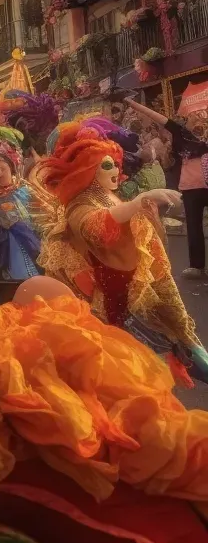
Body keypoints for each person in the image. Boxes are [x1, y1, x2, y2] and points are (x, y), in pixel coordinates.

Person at [32, 120, 204, 381]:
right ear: (88, 170)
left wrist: (141, 208)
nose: (116, 169)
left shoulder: (107, 194)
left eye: (115, 162)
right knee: (134, 375)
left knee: (181, 339)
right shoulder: (79, 205)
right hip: (111, 307)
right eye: (107, 164)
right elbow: (95, 226)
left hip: (139, 290)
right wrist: (136, 204)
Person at [123, 95, 208, 278]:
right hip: (190, 188)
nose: (199, 117)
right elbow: (156, 116)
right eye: (194, 114)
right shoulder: (180, 132)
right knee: (193, 227)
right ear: (187, 119)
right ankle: (197, 266)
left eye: (202, 114)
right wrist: (132, 103)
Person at [0, 125, 42, 280]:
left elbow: (41, 215)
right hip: (9, 247)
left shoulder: (26, 189)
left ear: (11, 168)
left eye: (2, 169)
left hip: (34, 243)